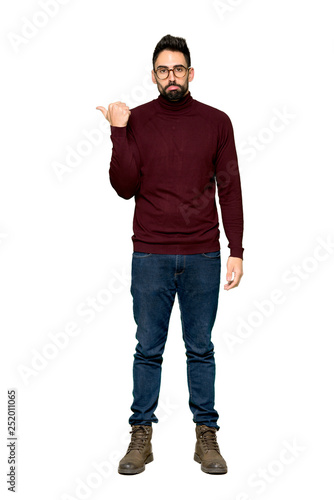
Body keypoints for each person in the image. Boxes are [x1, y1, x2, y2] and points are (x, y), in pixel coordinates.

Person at [96, 34, 244, 475]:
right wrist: (118, 131)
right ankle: (141, 435)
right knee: (148, 348)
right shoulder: (136, 120)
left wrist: (237, 249)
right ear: (154, 75)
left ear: (191, 73)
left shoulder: (217, 122)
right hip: (150, 256)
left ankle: (206, 437)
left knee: (200, 348)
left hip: (203, 255)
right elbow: (124, 187)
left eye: (178, 69)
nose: (171, 77)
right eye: (163, 70)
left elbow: (230, 189)